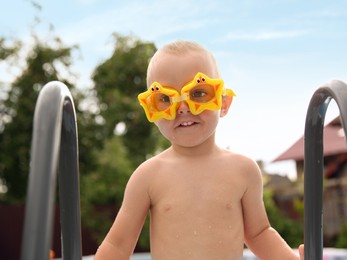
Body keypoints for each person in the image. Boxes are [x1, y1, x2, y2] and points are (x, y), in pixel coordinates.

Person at [95, 40, 304, 260]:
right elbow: (117, 245)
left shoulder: (243, 170)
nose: (182, 108)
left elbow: (260, 234)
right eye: (165, 99)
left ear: (223, 103)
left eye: (197, 94)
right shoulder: (148, 176)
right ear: (152, 111)